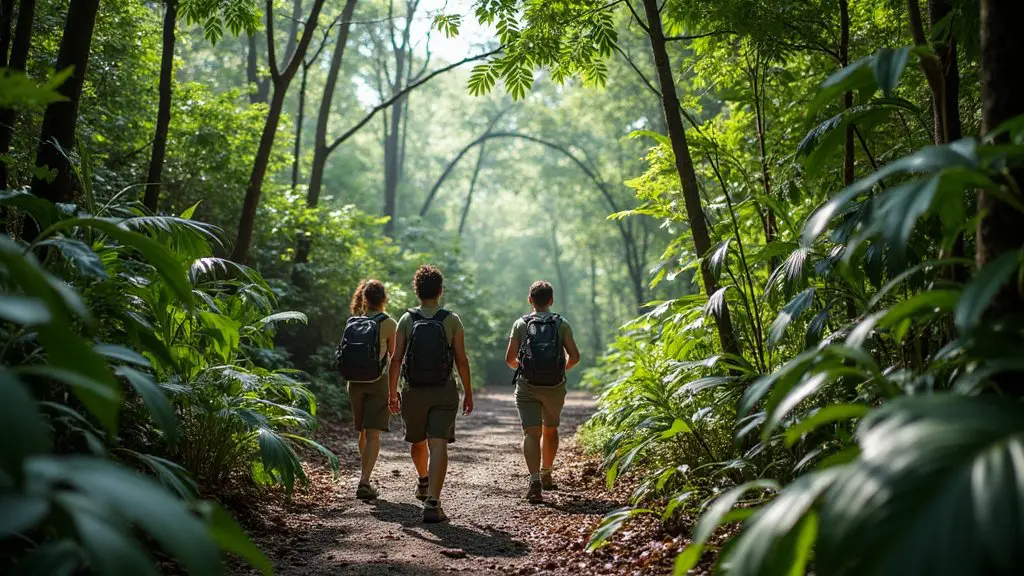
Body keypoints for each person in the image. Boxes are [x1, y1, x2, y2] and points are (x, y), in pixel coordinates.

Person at [389, 265, 474, 523]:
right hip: (443, 389)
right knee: (438, 444)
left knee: (417, 441)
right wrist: (468, 392)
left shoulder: (406, 319)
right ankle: (433, 501)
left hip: (413, 391)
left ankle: (423, 480)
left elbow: (396, 360)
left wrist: (392, 393)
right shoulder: (451, 319)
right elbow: (461, 359)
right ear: (440, 290)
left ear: (417, 291)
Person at [505, 280, 580, 503]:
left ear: (530, 300)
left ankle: (535, 480)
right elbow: (575, 356)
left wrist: (524, 367)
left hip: (528, 386)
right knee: (550, 429)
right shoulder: (561, 323)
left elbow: (509, 359)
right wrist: (564, 367)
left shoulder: (520, 324)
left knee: (532, 433)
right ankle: (547, 472)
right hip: (555, 387)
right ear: (551, 300)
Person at [338, 280, 398, 501]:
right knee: (373, 434)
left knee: (362, 431)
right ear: (383, 299)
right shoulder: (389, 323)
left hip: (354, 383)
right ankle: (364, 481)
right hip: (377, 382)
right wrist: (394, 392)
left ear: (364, 299)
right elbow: (394, 360)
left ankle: (365, 477)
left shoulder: (353, 322)